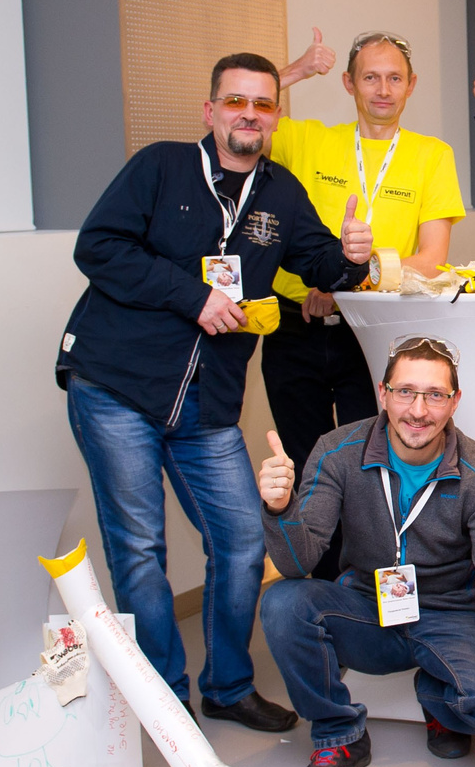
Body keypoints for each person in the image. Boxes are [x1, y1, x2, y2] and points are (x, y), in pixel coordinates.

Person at [57, 52, 374, 730]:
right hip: (117, 388)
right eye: (235, 102)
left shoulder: (282, 194)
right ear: (210, 110)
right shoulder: (161, 167)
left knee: (241, 543)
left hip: (207, 403)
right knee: (140, 549)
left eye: (262, 105)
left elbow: (321, 264)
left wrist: (352, 258)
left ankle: (227, 688)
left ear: (275, 117)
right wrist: (193, 296)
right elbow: (98, 247)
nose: (248, 115)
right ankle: (165, 700)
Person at [257, 334, 475, 767]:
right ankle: (338, 732)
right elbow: (297, 563)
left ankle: (436, 698)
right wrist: (280, 508)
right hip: (368, 610)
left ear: (455, 401)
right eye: (405, 392)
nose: (418, 410)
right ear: (383, 394)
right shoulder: (337, 451)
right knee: (283, 603)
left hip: (448, 613)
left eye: (435, 395)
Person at [262, 30, 466, 575]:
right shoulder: (307, 140)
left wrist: (345, 285)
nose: (382, 89)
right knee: (307, 464)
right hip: (295, 331)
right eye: (370, 77)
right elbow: (238, 117)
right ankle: (321, 586)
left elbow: (432, 258)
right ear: (348, 83)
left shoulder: (431, 155)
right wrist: (295, 71)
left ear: (411, 85)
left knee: (374, 467)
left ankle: (372, 585)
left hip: (376, 335)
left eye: (394, 78)